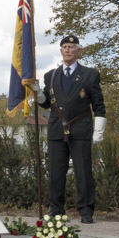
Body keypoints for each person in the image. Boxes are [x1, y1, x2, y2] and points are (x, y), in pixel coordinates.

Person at [37, 35, 106, 224]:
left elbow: (98, 105)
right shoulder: (50, 76)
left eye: (71, 46)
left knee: (83, 172)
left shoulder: (90, 74)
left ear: (78, 51)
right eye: (64, 47)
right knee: (55, 173)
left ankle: (85, 211)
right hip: (56, 128)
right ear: (61, 51)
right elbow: (46, 105)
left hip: (80, 128)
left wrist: (98, 130)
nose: (67, 50)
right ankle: (56, 210)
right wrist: (36, 93)